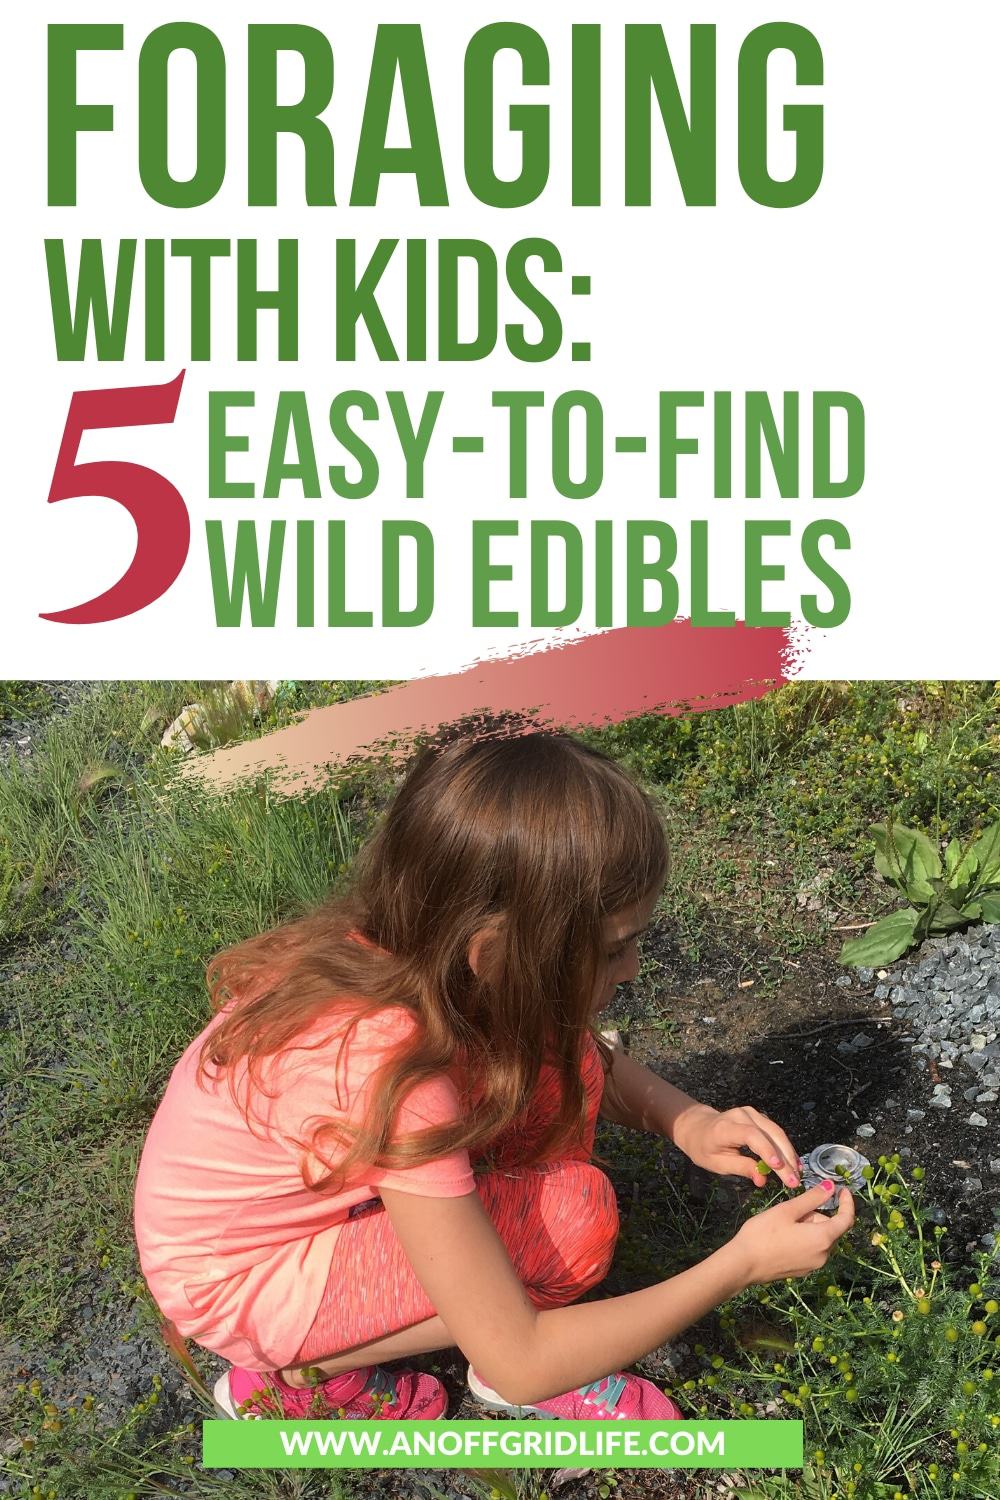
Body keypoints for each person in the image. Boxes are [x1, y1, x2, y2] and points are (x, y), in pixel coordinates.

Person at [134, 731, 854, 1422]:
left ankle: (442, 1297)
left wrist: (687, 1119)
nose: (632, 970)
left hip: (275, 1219)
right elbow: (521, 1357)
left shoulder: (418, 957)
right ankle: (297, 1379)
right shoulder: (395, 1074)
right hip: (238, 1283)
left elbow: (580, 1051)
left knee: (555, 1056)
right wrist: (740, 1264)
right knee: (573, 1227)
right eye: (612, 952)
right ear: (493, 951)